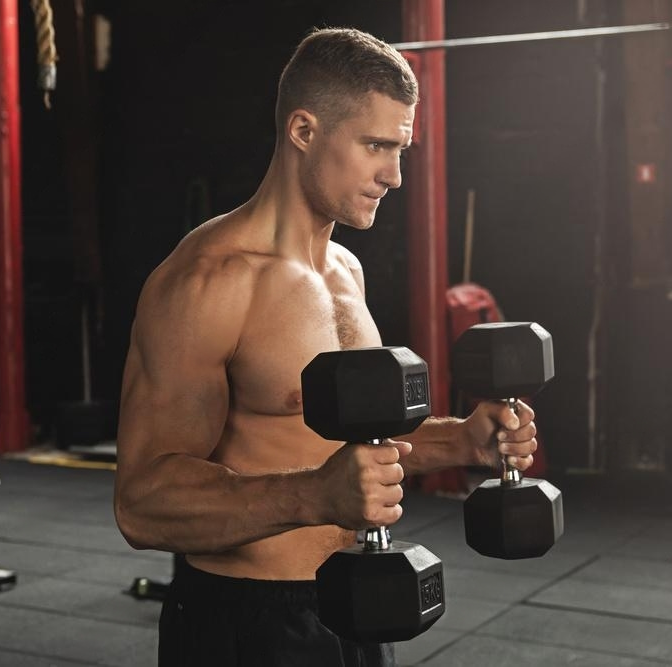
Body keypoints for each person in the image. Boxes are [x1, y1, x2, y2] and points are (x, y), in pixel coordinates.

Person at [114, 27, 539, 667]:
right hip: (246, 621)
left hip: (357, 605)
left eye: (400, 150)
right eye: (375, 146)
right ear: (304, 131)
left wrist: (460, 441)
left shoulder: (344, 271)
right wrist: (314, 496)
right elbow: (142, 503)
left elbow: (344, 452)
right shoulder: (209, 280)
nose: (394, 176)